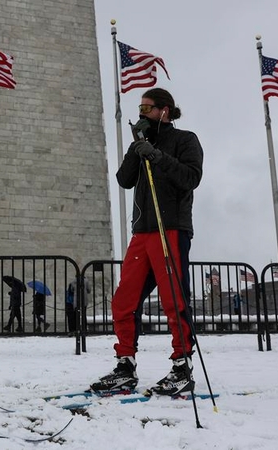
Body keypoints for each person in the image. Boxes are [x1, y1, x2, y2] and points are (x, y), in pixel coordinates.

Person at [90, 88, 203, 396]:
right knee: (124, 300)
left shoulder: (185, 140)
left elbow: (191, 177)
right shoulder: (141, 143)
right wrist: (137, 148)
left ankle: (182, 365)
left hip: (171, 229)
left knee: (173, 300)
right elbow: (124, 180)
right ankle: (125, 365)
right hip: (142, 231)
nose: (142, 112)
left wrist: (157, 156)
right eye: (139, 107)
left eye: (148, 108)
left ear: (165, 110)